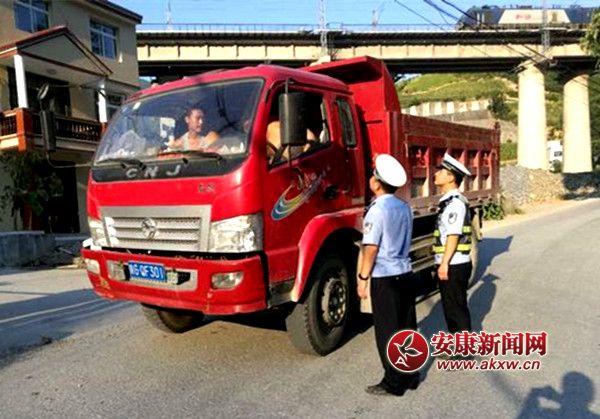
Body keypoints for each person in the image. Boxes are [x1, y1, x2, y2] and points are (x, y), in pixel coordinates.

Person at [357, 154, 419, 397]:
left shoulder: (376, 210)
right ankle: (411, 376)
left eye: (372, 176)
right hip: (405, 271)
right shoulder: (405, 207)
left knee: (388, 331)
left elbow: (371, 248)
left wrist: (363, 278)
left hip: (385, 277)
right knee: (407, 327)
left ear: (376, 183)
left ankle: (394, 383)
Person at [433, 153, 473, 334]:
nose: (436, 174)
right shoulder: (449, 202)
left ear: (450, 178)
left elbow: (453, 235)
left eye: (441, 171)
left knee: (456, 311)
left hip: (454, 264)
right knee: (452, 310)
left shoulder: (455, 204)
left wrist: (444, 263)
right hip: (453, 263)